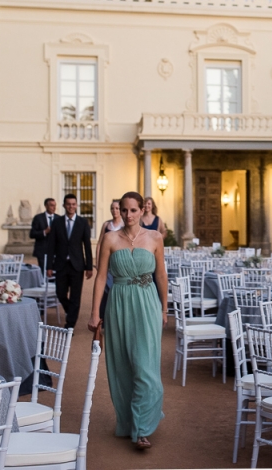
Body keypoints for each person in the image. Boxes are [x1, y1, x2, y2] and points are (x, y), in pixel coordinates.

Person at [89, 191, 166, 450]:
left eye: (134, 210)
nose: (129, 215)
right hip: (119, 304)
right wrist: (95, 312)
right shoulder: (110, 238)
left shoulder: (155, 238)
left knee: (146, 368)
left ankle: (142, 428)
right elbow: (101, 278)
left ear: (142, 211)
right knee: (121, 367)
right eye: (125, 210)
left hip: (147, 304)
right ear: (119, 211)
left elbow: (162, 277)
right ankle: (128, 421)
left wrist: (165, 310)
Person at [52, 194, 93, 329]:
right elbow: (51, 245)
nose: (71, 206)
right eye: (68, 204)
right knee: (60, 293)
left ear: (76, 206)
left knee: (75, 296)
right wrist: (49, 266)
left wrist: (89, 267)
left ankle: (70, 325)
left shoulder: (83, 222)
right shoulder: (57, 222)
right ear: (64, 205)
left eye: (73, 204)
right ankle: (72, 312)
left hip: (77, 265)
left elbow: (87, 245)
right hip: (61, 264)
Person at [95, 199, 123, 321]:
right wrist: (97, 262)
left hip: (120, 262)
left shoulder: (124, 225)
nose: (114, 211)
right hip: (107, 262)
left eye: (117, 208)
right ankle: (104, 318)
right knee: (106, 289)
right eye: (112, 208)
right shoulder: (106, 225)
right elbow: (100, 244)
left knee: (117, 289)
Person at [29, 198, 58, 272]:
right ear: (46, 206)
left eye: (55, 205)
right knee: (43, 272)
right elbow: (32, 234)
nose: (54, 208)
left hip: (56, 251)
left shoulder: (59, 218)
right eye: (51, 205)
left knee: (55, 273)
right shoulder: (38, 218)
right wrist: (44, 232)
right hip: (42, 251)